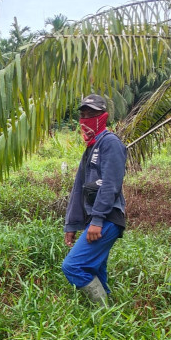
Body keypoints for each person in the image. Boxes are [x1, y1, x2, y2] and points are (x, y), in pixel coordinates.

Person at [62, 94, 127, 303]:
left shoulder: (110, 143)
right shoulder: (92, 146)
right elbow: (79, 188)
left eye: (92, 114)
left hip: (108, 218)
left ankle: (102, 310)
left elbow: (111, 185)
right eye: (83, 115)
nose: (86, 119)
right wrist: (71, 224)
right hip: (97, 219)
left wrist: (97, 220)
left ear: (104, 116)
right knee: (96, 268)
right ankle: (108, 320)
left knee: (72, 266)